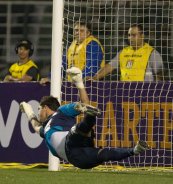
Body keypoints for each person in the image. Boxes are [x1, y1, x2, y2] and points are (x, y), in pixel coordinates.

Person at [20, 67, 149, 169]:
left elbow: (79, 105)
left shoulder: (60, 112)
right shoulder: (44, 129)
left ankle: (86, 105)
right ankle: (135, 150)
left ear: (46, 107)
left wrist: (80, 90)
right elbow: (35, 126)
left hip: (71, 139)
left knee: (76, 130)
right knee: (102, 154)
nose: (38, 113)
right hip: (77, 158)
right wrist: (28, 110)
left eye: (38, 109)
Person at [40, 19, 105, 85]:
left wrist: (80, 79)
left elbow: (93, 67)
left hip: (90, 85)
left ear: (88, 33)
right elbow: (62, 64)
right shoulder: (72, 45)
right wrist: (51, 78)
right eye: (76, 30)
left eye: (82, 31)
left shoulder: (93, 44)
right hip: (73, 84)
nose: (78, 33)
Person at [93, 24, 164, 81]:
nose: (130, 38)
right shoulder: (123, 52)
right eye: (129, 35)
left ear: (142, 36)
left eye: (134, 35)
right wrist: (94, 77)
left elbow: (159, 75)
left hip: (144, 91)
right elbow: (109, 67)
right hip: (125, 91)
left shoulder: (152, 52)